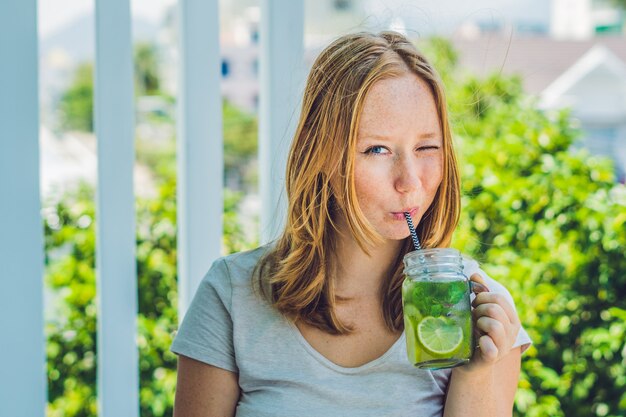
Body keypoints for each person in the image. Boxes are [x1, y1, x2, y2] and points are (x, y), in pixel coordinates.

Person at [171, 31, 531, 417]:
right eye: (377, 149)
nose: (410, 180)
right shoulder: (231, 295)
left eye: (427, 147)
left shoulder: (481, 315)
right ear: (322, 154)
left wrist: (474, 376)